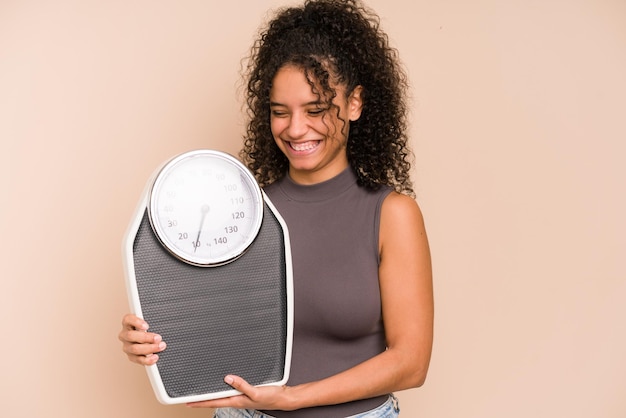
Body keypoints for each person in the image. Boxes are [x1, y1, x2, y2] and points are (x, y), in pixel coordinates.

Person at [119, 0, 433, 416]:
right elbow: (207, 322)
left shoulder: (391, 214)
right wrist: (147, 338)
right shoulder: (241, 216)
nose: (295, 128)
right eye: (279, 112)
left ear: (355, 103)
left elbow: (411, 364)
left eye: (316, 109)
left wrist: (293, 397)